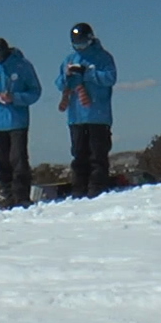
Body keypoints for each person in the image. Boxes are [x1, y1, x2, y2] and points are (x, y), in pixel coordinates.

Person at [0, 36, 40, 208]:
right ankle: (8, 197)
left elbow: (35, 91)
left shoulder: (22, 65)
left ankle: (22, 197)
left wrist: (15, 98)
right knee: (0, 162)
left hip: (17, 121)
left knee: (18, 160)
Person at [56, 22, 118, 197]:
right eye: (76, 44)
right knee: (79, 154)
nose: (79, 47)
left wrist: (88, 74)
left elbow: (110, 78)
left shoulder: (103, 57)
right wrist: (67, 77)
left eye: (82, 43)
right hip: (76, 116)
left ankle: (97, 188)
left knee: (97, 154)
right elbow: (59, 83)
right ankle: (79, 189)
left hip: (98, 115)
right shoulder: (69, 59)